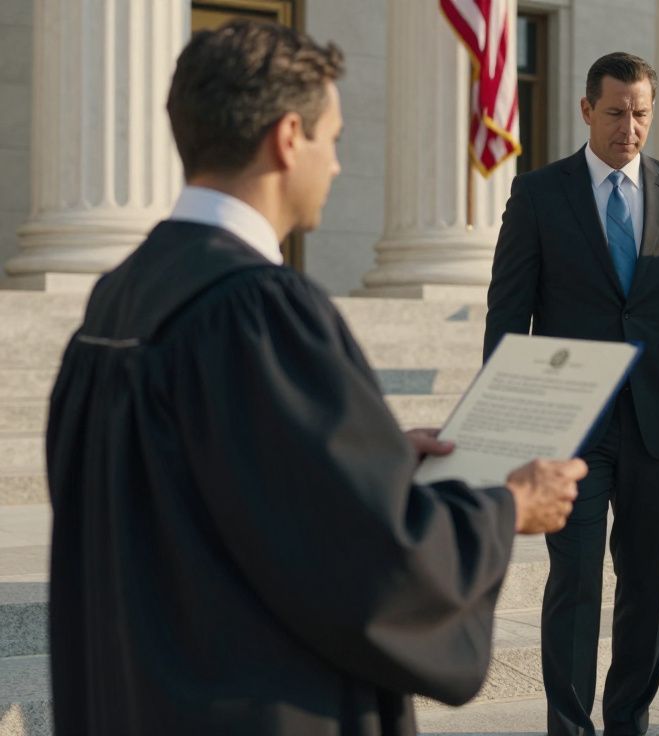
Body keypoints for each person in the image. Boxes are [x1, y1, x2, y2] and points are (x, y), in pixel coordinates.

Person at [45, 21, 584, 735]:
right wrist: (509, 506)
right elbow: (372, 561)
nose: (335, 163)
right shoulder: (260, 308)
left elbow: (215, 485)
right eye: (331, 137)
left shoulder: (120, 294)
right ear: (287, 136)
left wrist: (379, 454)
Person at [483, 52, 659, 735]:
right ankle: (569, 725)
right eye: (617, 112)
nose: (630, 128)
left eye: (642, 114)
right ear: (586, 111)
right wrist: (500, 423)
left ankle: (629, 719)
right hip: (569, 425)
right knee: (575, 582)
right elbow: (507, 313)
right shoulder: (539, 194)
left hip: (658, 422)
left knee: (646, 581)